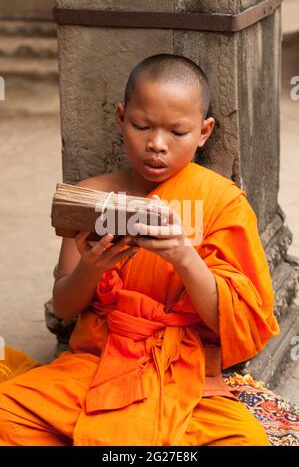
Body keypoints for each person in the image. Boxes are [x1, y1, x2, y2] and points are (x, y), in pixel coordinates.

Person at [0, 54, 279, 446]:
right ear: (120, 118)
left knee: (245, 441)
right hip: (97, 367)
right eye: (141, 125)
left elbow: (238, 325)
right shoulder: (93, 195)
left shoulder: (222, 202)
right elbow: (63, 307)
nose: (156, 145)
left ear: (204, 131)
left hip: (185, 375)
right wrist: (92, 269)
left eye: (177, 132)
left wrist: (184, 257)